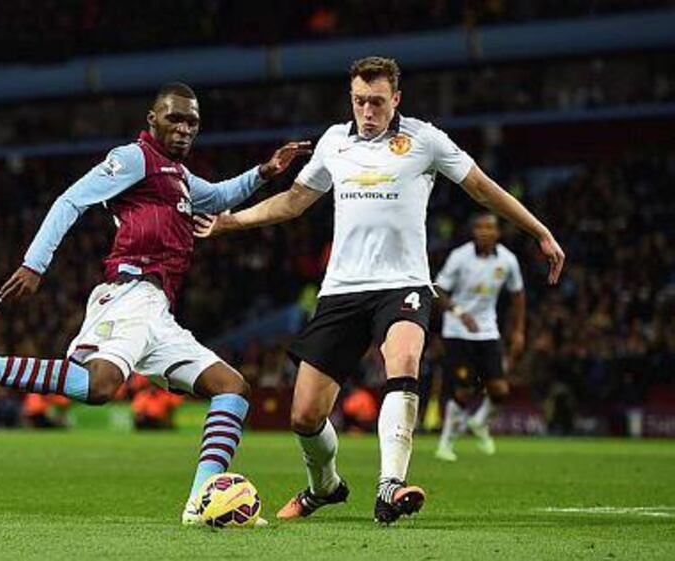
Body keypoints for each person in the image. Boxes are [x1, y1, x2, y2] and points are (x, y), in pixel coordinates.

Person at [0, 82, 310, 525]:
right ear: (152, 120)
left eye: (193, 121)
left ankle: (198, 503)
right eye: (175, 118)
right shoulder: (134, 158)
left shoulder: (178, 176)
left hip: (159, 312)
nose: (185, 128)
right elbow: (70, 199)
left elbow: (218, 197)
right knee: (98, 387)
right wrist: (35, 263)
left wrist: (265, 171)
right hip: (129, 293)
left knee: (233, 389)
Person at [196, 57, 565, 524]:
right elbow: (293, 201)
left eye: (376, 101)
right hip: (342, 289)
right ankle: (325, 487)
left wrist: (540, 232)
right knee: (304, 416)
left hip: (404, 283)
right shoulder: (333, 142)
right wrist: (232, 221)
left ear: (396, 99)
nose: (367, 110)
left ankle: (390, 486)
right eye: (358, 101)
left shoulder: (425, 140)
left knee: (405, 359)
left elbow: (482, 189)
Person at [434, 213, 526, 462]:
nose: (485, 232)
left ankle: (479, 421)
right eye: (480, 227)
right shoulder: (459, 257)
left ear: (498, 233)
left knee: (500, 389)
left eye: (490, 228)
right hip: (457, 330)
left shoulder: (508, 260)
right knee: (463, 390)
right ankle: (446, 444)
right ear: (473, 231)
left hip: (487, 330)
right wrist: (459, 312)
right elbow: (438, 289)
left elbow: (518, 296)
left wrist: (518, 331)